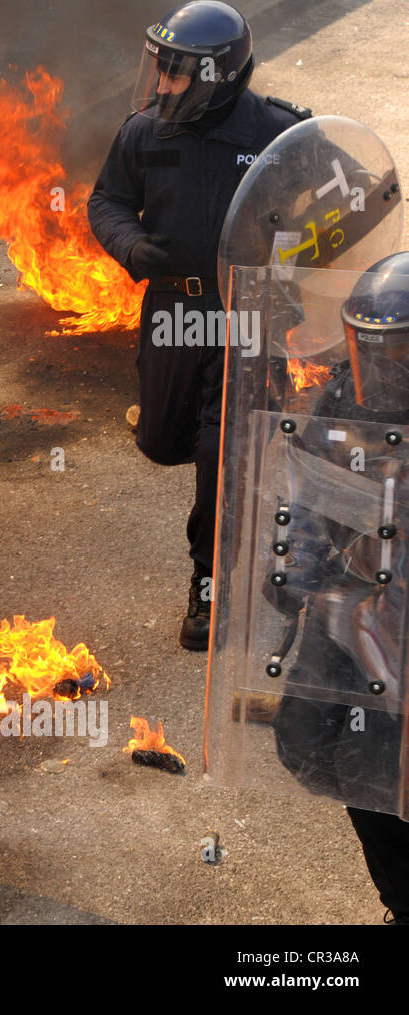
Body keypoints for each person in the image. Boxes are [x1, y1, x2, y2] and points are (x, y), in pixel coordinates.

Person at [88, 1, 310, 650]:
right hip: (173, 312)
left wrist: (294, 280)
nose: (162, 85)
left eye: (176, 74)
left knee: (220, 452)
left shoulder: (278, 136)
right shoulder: (144, 134)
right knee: (162, 440)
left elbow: (329, 208)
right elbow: (107, 200)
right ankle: (238, 489)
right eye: (160, 70)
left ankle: (209, 583)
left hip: (246, 314)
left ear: (215, 75)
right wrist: (130, 245)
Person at [266, 252, 409, 924]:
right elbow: (301, 494)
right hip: (353, 619)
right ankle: (401, 899)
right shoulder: (340, 398)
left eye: (399, 351)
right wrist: (293, 570)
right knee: (332, 759)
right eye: (370, 347)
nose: (381, 366)